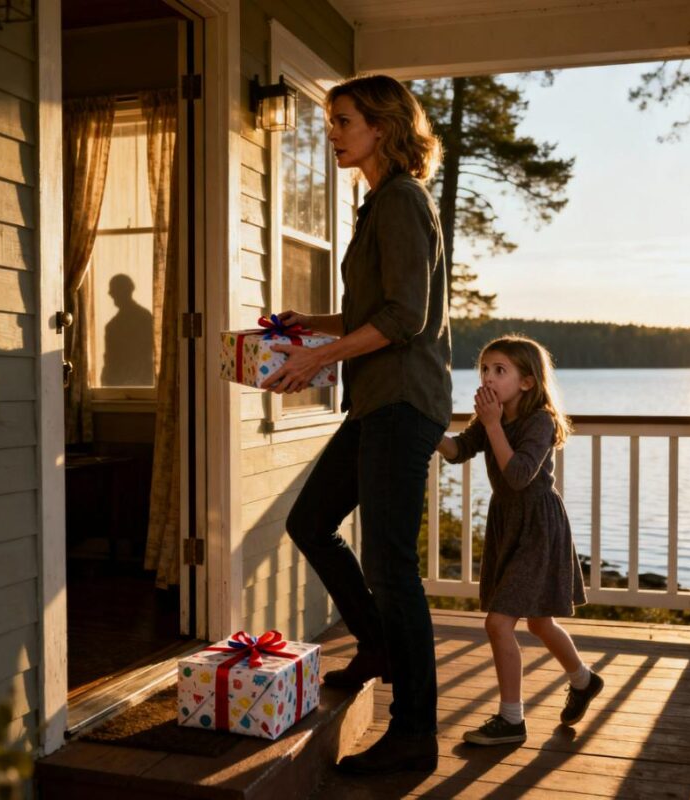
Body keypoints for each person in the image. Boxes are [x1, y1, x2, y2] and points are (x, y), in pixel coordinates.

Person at [265, 75, 452, 774]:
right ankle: (374, 645)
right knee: (311, 523)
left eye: (342, 120)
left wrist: (319, 355)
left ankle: (414, 733)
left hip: (404, 404)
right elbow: (375, 310)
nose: (333, 132)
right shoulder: (378, 207)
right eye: (331, 121)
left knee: (392, 566)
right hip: (377, 403)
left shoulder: (402, 200)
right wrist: (305, 324)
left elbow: (407, 318)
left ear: (381, 125)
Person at [437, 335, 603, 745]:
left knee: (499, 621)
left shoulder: (539, 421)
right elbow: (457, 451)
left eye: (500, 370)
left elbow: (517, 475)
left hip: (537, 526)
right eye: (485, 370)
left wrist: (493, 425)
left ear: (527, 382)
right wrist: (428, 428)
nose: (489, 378)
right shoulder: (490, 419)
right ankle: (583, 680)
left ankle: (512, 720)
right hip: (507, 523)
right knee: (540, 621)